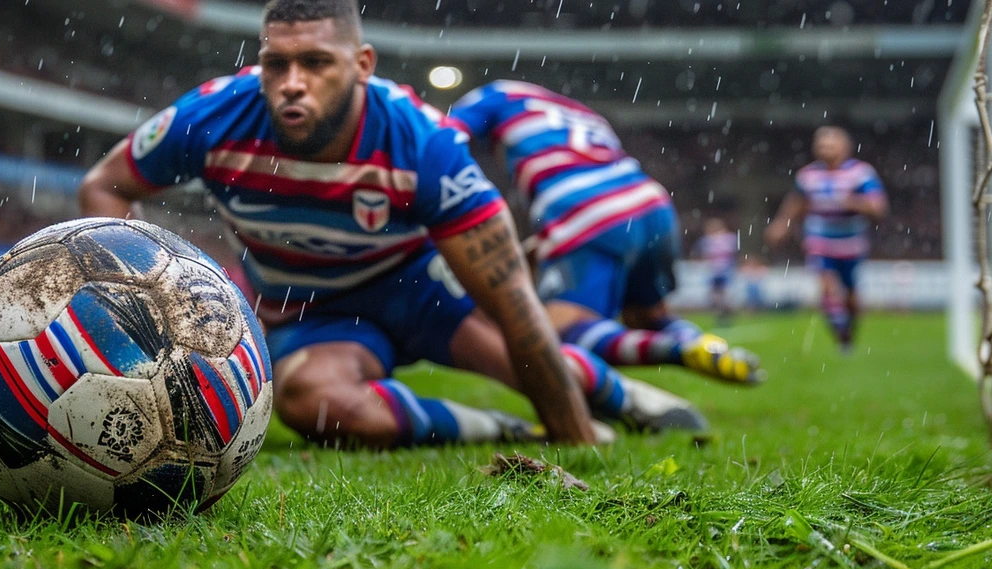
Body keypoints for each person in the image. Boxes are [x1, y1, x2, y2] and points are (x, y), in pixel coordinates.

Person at [78, 0, 705, 449]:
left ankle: (620, 398)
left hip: (419, 290)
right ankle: (499, 428)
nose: (292, 85)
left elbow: (514, 303)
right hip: (306, 309)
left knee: (527, 359)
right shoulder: (213, 117)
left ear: (363, 64)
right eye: (277, 64)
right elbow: (104, 185)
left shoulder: (423, 145)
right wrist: (141, 310)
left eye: (317, 63)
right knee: (313, 406)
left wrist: (578, 440)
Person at [448, 81, 762, 385]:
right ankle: (707, 348)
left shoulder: (497, 94)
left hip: (585, 206)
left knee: (554, 336)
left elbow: (443, 139)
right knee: (648, 317)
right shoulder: (585, 115)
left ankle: (679, 351)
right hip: (651, 203)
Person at [766, 126, 888, 352]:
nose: (825, 149)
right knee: (827, 286)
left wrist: (853, 202)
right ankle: (839, 331)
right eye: (821, 144)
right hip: (819, 238)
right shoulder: (808, 175)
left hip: (851, 241)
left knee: (850, 293)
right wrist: (782, 223)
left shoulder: (861, 173)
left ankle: (849, 329)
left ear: (845, 147)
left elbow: (878, 207)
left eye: (830, 144)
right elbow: (796, 202)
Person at [696, 216, 739, 325]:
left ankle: (724, 313)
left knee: (721, 294)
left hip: (722, 271)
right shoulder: (711, 240)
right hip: (716, 271)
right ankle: (723, 313)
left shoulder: (725, 239)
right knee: (717, 295)